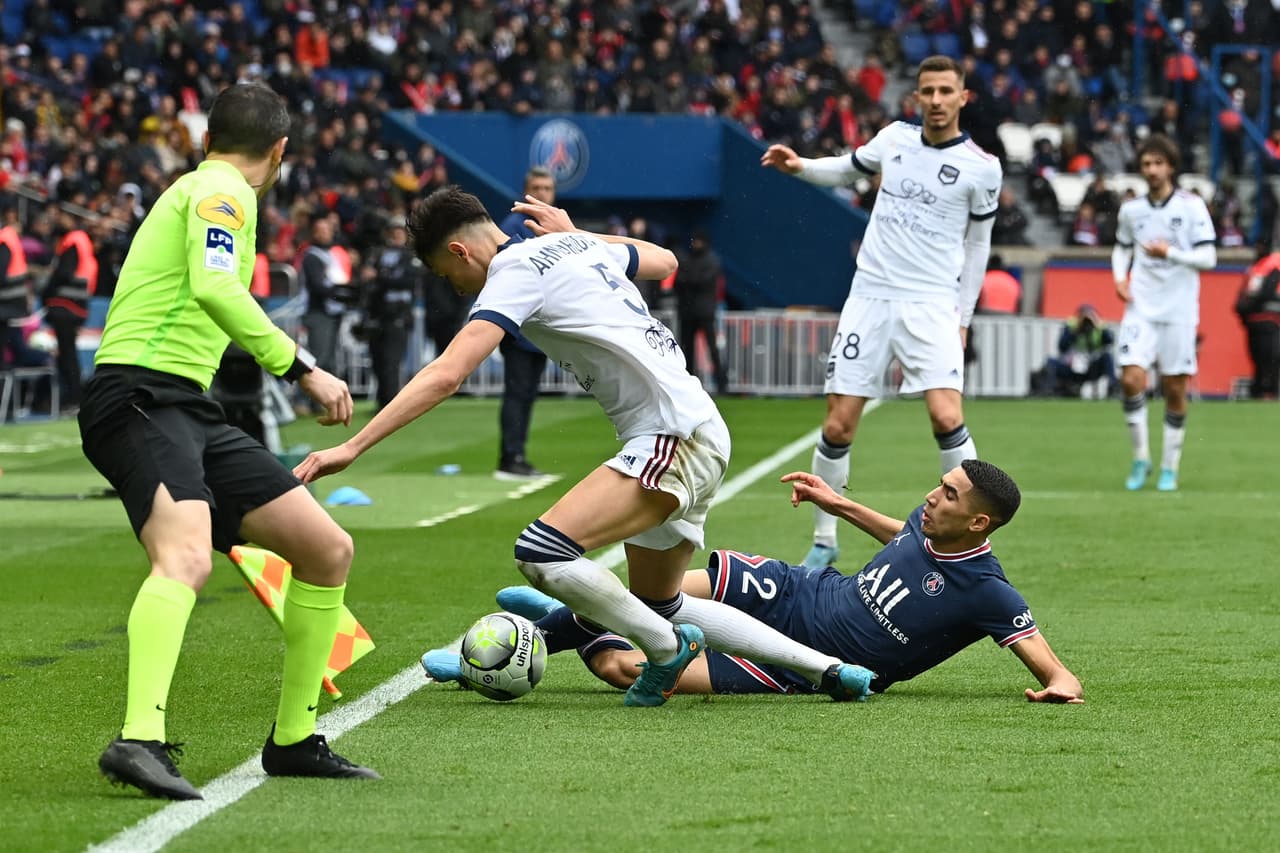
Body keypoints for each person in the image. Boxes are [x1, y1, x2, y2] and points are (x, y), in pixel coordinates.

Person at [293, 186, 876, 708]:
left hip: (670, 434)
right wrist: (578, 232)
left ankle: (666, 651)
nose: (457, 288)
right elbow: (665, 261)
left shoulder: (512, 270)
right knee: (660, 598)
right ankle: (827, 669)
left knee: (542, 551)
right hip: (698, 428)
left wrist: (355, 447)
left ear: (459, 252)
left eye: (450, 278)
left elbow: (449, 373)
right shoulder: (576, 246)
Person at [78, 82, 377, 801]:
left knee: (327, 549)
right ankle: (138, 738)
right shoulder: (223, 192)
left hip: (188, 405)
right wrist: (301, 366)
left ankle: (295, 739)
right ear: (279, 152)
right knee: (183, 556)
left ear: (208, 135)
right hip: (140, 395)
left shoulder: (199, 185)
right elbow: (217, 285)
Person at [424, 460, 1085, 705]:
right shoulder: (928, 521)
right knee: (665, 594)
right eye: (938, 487)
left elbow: (1048, 660)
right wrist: (840, 505)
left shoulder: (988, 590)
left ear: (976, 520)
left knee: (625, 669)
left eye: (947, 494)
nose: (930, 497)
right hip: (802, 591)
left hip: (810, 665)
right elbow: (905, 539)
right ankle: (480, 656)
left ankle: (580, 613)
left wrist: (1059, 681)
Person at [760, 55, 1001, 569]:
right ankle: (825, 540)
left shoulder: (983, 168)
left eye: (945, 91)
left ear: (963, 97)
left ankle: (964, 539)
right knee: (839, 426)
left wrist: (963, 318)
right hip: (870, 297)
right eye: (927, 91)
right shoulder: (894, 139)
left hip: (933, 302)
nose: (935, 100)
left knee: (946, 414)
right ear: (916, 96)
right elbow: (848, 168)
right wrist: (800, 166)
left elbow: (978, 248)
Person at [1112, 134, 1217, 491]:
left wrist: (1169, 254)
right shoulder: (1131, 210)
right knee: (1130, 378)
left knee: (1174, 387)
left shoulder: (1191, 207)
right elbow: (1121, 248)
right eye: (1146, 164)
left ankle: (1170, 466)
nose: (1152, 170)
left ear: (1171, 166)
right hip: (1140, 305)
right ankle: (1141, 458)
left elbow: (1209, 257)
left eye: (1159, 163)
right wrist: (1119, 278)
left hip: (1179, 309)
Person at [493, 167, 555, 479]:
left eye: (547, 188)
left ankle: (517, 454)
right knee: (518, 392)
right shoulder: (515, 226)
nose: (543, 193)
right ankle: (510, 457)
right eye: (537, 188)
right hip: (520, 327)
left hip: (540, 329)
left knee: (527, 394)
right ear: (526, 192)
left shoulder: (555, 227)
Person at [359, 215, 423, 410]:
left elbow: (408, 280)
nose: (396, 235)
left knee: (391, 360)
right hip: (379, 314)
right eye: (393, 231)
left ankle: (389, 404)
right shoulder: (377, 254)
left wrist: (378, 278)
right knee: (377, 360)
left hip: (398, 315)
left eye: (399, 231)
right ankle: (382, 401)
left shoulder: (410, 256)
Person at [41, 209, 98, 414]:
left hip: (66, 307)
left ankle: (74, 398)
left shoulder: (73, 241)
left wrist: (47, 291)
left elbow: (64, 273)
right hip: (77, 307)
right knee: (68, 354)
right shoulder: (84, 243)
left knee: (67, 355)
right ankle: (74, 398)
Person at [673, 229, 727, 395]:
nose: (696, 245)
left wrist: (688, 280)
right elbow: (681, 282)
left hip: (702, 311)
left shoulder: (707, 260)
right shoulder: (707, 260)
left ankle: (721, 384)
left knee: (711, 348)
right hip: (691, 311)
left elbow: (694, 281)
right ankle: (689, 383)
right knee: (687, 349)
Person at [1034, 304, 1115, 397]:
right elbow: (1062, 347)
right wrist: (1075, 331)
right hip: (1072, 367)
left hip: (1092, 367)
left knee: (1107, 357)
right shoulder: (1071, 327)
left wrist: (1098, 325)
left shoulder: (1099, 327)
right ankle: (1049, 390)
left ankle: (1113, 387)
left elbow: (1110, 341)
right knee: (1050, 362)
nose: (1086, 321)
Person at [1235, 242, 1280, 399]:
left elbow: (1266, 291)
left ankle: (1270, 392)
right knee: (1258, 358)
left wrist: (1248, 308)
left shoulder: (1273, 264)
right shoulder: (1256, 267)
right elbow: (1242, 296)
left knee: (1270, 357)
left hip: (1270, 320)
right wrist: (1243, 312)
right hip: (1255, 321)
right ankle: (1260, 392)